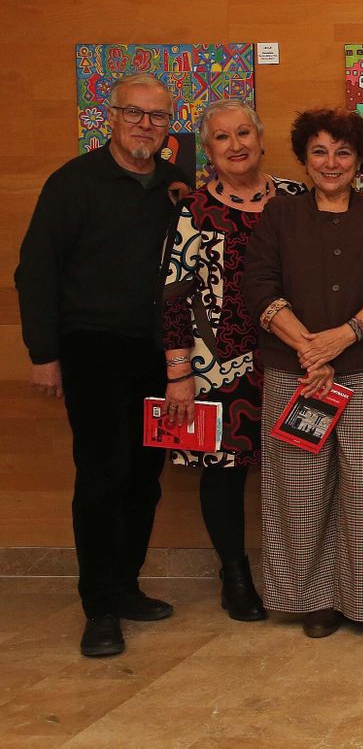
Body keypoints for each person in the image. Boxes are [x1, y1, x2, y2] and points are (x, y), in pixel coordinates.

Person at [17, 74, 186, 658]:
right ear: (111, 117)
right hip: (93, 350)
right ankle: (100, 608)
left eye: (157, 117)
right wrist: (44, 355)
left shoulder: (178, 185)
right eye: (134, 114)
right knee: (102, 478)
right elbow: (35, 271)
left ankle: (128, 586)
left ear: (170, 125)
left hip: (164, 356)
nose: (145, 125)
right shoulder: (74, 182)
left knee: (145, 478)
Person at [241, 107, 363, 639]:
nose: (331, 162)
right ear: (303, 158)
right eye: (319, 151)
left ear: (361, 159)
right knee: (300, 483)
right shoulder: (280, 214)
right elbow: (259, 285)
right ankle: (313, 597)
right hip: (294, 369)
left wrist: (343, 338)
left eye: (343, 152)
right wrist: (310, 349)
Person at [159, 100, 305, 623]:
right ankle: (235, 576)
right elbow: (174, 295)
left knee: (302, 468)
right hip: (219, 367)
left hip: (294, 360)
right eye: (222, 137)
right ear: (210, 150)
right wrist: (179, 374)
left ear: (262, 140)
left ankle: (322, 568)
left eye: (244, 133)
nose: (236, 144)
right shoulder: (194, 210)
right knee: (222, 472)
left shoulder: (296, 198)